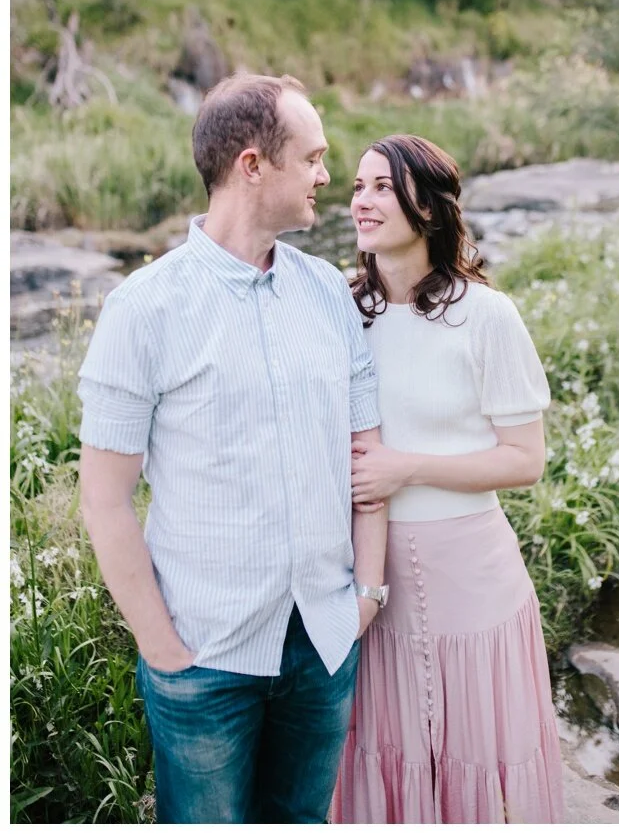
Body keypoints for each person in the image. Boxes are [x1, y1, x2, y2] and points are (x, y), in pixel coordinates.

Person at [77, 72, 388, 823]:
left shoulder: (327, 294)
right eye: (311, 158)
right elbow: (105, 496)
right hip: (203, 658)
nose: (326, 177)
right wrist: (160, 644)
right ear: (253, 165)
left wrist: (365, 602)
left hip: (323, 642)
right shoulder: (142, 309)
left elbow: (366, 460)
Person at [330, 134, 565, 823]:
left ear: (427, 209)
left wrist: (408, 468)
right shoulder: (342, 309)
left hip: (472, 577)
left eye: (381, 186)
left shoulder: (485, 314)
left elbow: (525, 459)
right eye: (356, 185)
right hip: (365, 575)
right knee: (380, 748)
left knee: (473, 758)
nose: (361, 201)